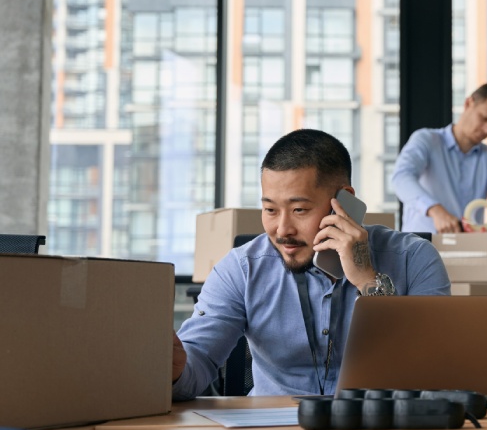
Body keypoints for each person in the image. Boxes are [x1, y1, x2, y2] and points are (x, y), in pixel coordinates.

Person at [171, 128, 451, 401]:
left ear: (343, 201)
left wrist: (367, 280)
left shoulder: (414, 258)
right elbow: (198, 361)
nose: (283, 229)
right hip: (272, 427)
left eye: (299, 210)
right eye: (270, 209)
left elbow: (433, 371)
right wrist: (175, 369)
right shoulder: (242, 269)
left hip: (375, 426)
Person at [392, 82, 487, 256]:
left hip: (466, 253)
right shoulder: (426, 140)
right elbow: (401, 178)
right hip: (419, 251)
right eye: (485, 118)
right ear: (468, 103)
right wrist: (436, 211)